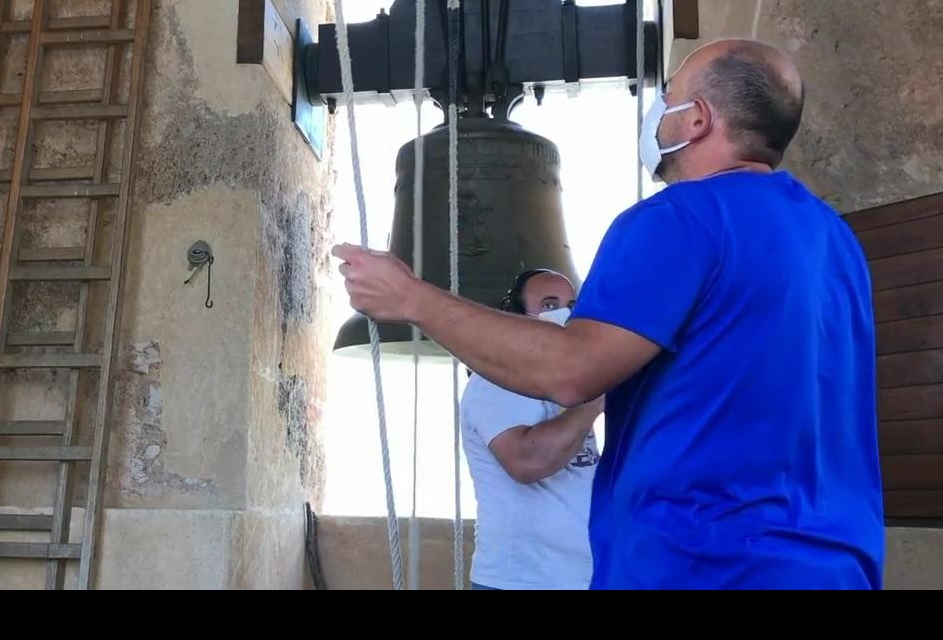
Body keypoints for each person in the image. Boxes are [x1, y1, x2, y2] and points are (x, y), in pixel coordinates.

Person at [335, 39, 884, 589]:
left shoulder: (678, 219)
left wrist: (409, 297)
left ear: (696, 120)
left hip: (705, 567)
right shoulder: (835, 240)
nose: (658, 113)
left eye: (668, 97)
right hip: (833, 567)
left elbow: (571, 370)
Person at [462, 269, 601, 591]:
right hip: (522, 580)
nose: (565, 314)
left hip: (577, 578)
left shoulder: (563, 385)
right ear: (516, 320)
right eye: (549, 305)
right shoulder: (495, 382)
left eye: (571, 304)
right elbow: (527, 462)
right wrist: (596, 400)